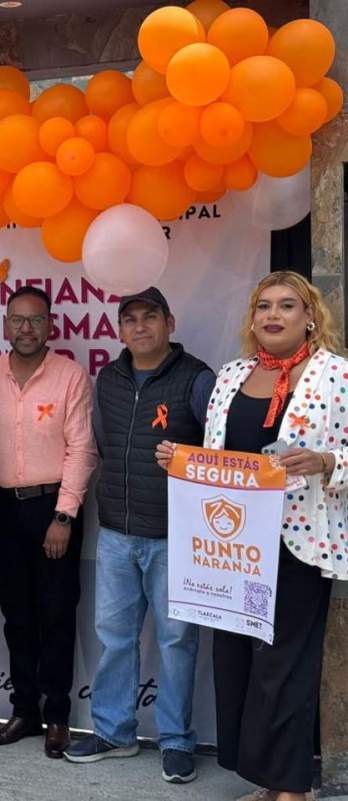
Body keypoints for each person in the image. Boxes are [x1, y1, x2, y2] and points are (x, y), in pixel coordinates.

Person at [156, 271, 348, 801]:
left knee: (284, 664)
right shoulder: (232, 374)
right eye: (264, 305)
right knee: (238, 661)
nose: (274, 315)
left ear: (310, 315)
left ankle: (292, 788)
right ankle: (266, 781)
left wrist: (329, 460)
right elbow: (219, 457)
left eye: (288, 305)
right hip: (233, 545)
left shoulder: (336, 375)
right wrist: (183, 460)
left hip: (297, 540)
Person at [64, 287, 215, 785]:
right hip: (116, 534)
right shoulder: (108, 377)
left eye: (150, 317)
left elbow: (218, 453)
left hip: (175, 536)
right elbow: (104, 443)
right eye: (130, 320)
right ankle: (114, 733)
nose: (140, 327)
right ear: (119, 329)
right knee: (114, 639)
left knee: (176, 641)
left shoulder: (197, 378)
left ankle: (175, 740)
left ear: (170, 322)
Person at [0, 286, 97, 759]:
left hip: (53, 508)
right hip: (2, 509)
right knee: (17, 618)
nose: (26, 328)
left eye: (36, 320)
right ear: (4, 326)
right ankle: (24, 711)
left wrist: (64, 516)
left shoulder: (69, 376)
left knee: (57, 614)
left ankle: (58, 716)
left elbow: (82, 449)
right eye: (18, 320)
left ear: (50, 326)